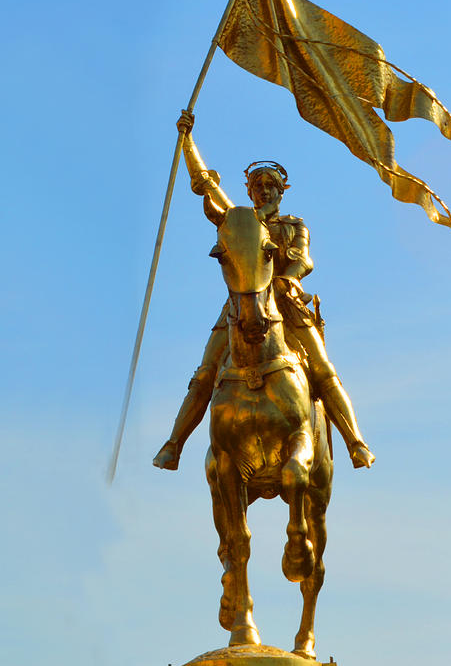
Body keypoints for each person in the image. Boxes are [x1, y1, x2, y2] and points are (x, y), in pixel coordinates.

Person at [152, 111, 375, 471]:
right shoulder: (238, 221)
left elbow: (304, 259)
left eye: (270, 187)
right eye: (258, 187)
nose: (264, 192)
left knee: (322, 370)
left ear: (280, 191)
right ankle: (173, 444)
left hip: (285, 303)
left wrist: (291, 277)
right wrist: (187, 142)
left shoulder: (293, 224)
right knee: (205, 373)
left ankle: (356, 442)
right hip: (240, 305)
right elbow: (206, 186)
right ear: (250, 193)